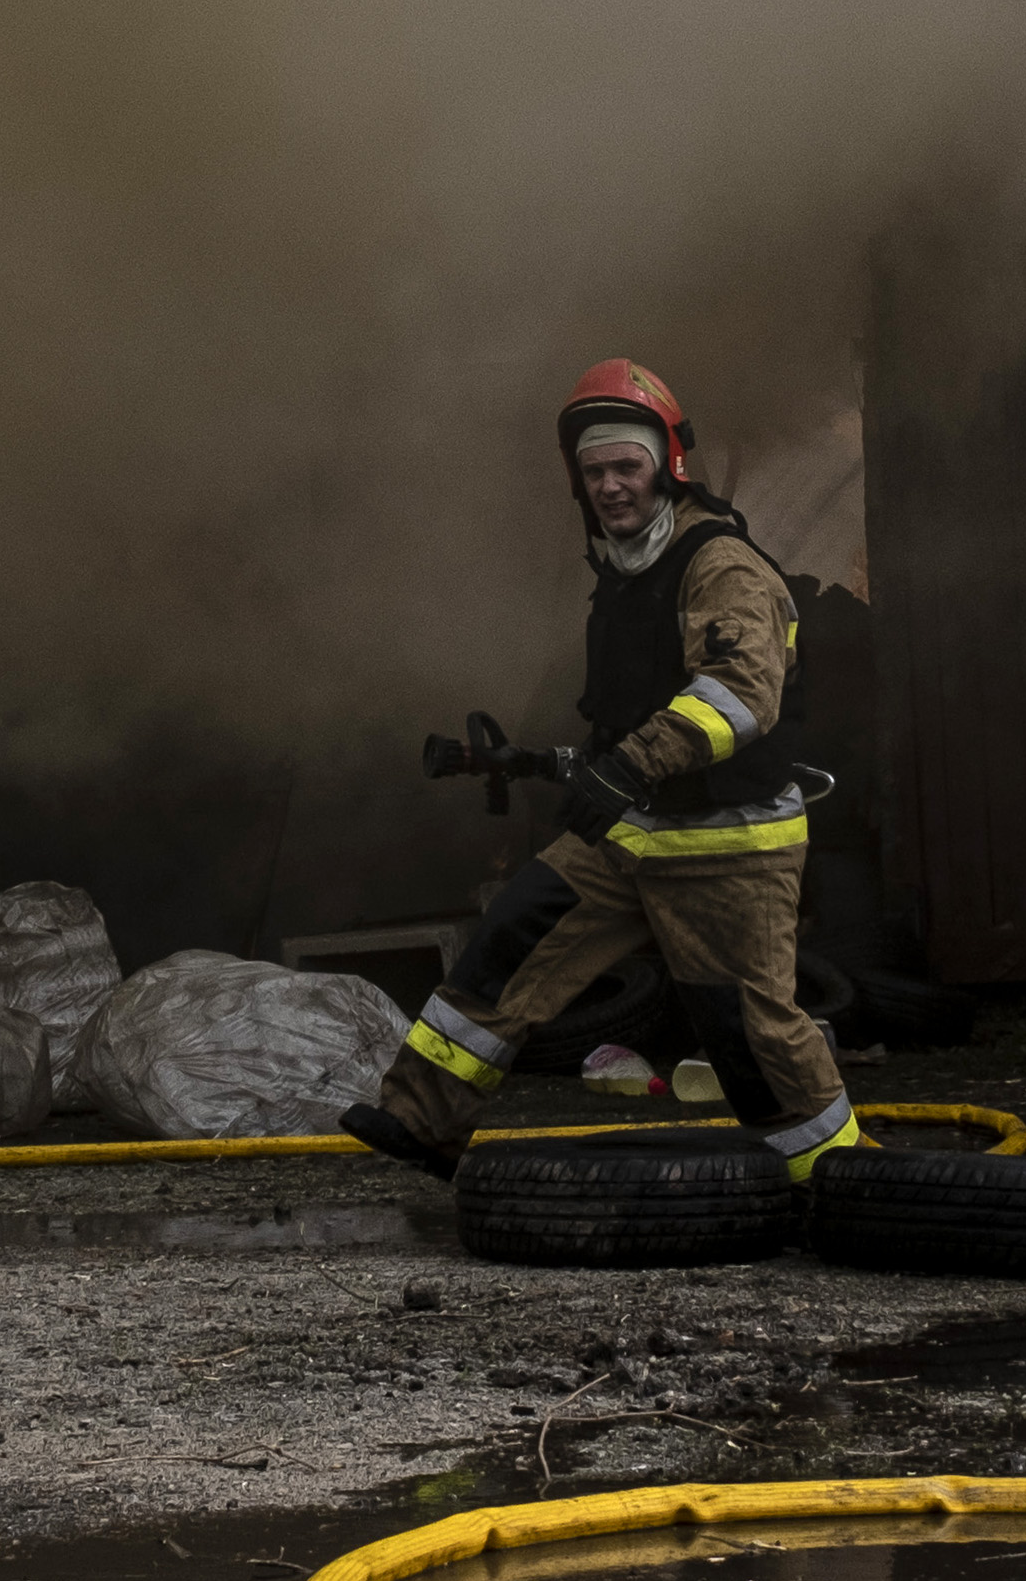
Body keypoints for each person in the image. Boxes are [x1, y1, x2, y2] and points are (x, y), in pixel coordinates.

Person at [342, 359, 863, 1184]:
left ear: (667, 463)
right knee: (509, 943)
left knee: (749, 1034)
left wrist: (630, 764)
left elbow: (738, 694)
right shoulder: (621, 571)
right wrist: (534, 762)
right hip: (632, 834)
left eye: (626, 465)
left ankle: (837, 1177)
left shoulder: (719, 563)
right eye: (594, 472)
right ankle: (418, 1118)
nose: (611, 486)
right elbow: (631, 718)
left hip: (726, 844)